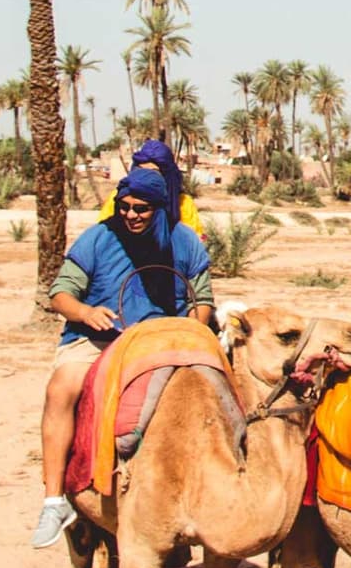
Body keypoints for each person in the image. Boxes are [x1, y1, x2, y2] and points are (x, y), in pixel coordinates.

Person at [30, 166, 214, 547]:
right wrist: (85, 313)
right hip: (100, 338)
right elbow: (60, 294)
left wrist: (194, 331)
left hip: (164, 341)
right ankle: (53, 500)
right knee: (61, 389)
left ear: (160, 209)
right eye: (125, 206)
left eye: (141, 209)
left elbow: (203, 300)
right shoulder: (98, 238)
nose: (131, 215)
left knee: (220, 391)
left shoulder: (185, 242)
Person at [97, 139, 205, 239]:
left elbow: (192, 243)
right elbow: (104, 234)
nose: (146, 176)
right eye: (141, 170)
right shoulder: (119, 198)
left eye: (154, 172)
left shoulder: (183, 203)